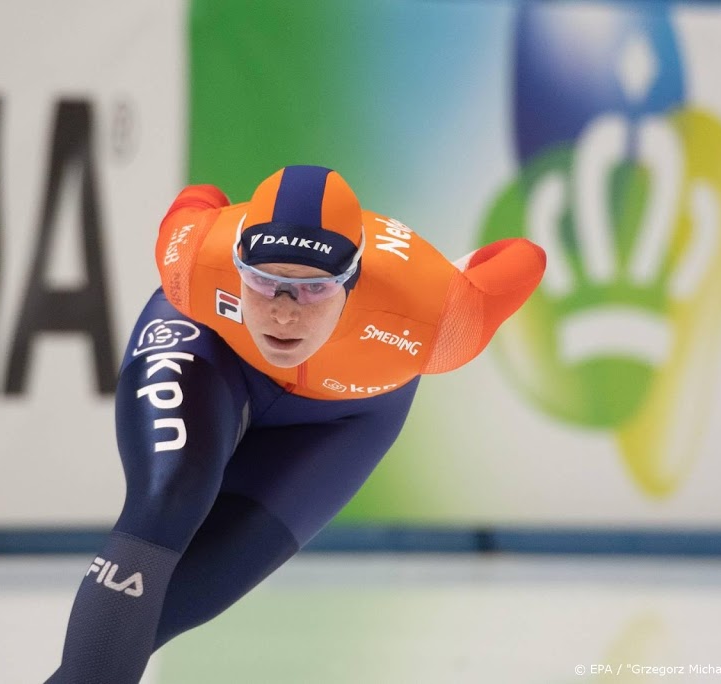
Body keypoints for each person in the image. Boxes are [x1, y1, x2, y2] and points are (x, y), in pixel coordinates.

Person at [46, 165, 546, 683]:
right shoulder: (194, 256)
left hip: (344, 416)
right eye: (264, 281)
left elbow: (524, 257)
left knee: (179, 597)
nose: (283, 314)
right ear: (237, 259)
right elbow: (201, 198)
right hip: (210, 346)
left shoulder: (441, 319)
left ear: (352, 281)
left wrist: (444, 283)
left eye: (312, 289)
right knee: (168, 493)